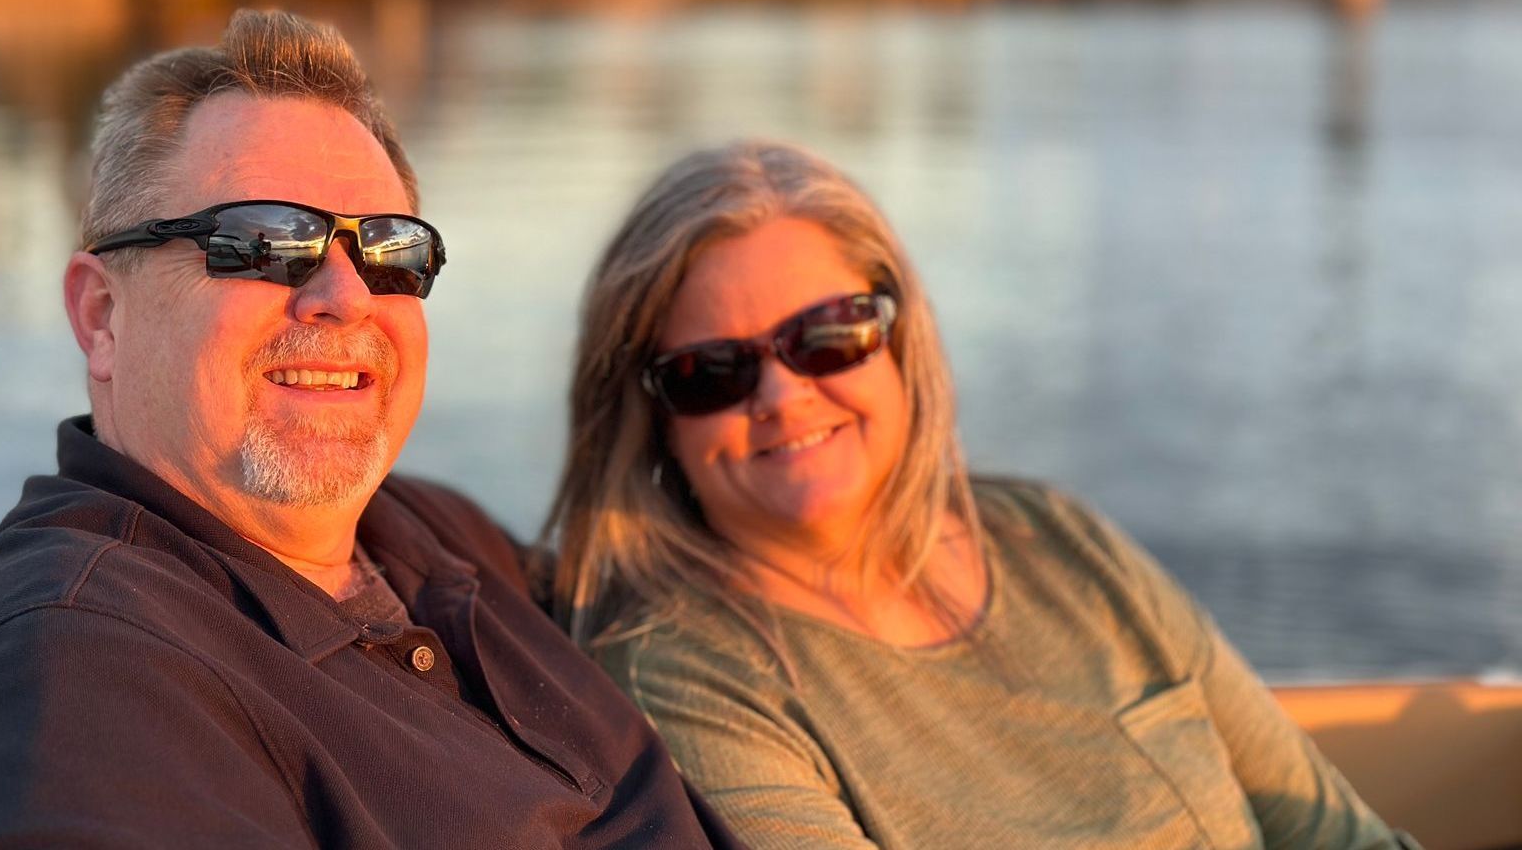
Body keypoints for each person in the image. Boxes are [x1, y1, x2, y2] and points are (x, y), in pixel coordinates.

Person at [0, 10, 742, 849]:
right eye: (265, 242)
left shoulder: (430, 536)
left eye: (391, 249)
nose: (345, 296)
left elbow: (689, 608)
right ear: (101, 315)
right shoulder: (70, 677)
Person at [544, 140, 1411, 849]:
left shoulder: (1055, 537)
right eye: (711, 372)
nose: (781, 395)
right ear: (652, 420)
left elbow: (1335, 833)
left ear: (899, 342)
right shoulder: (688, 683)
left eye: (828, 337)